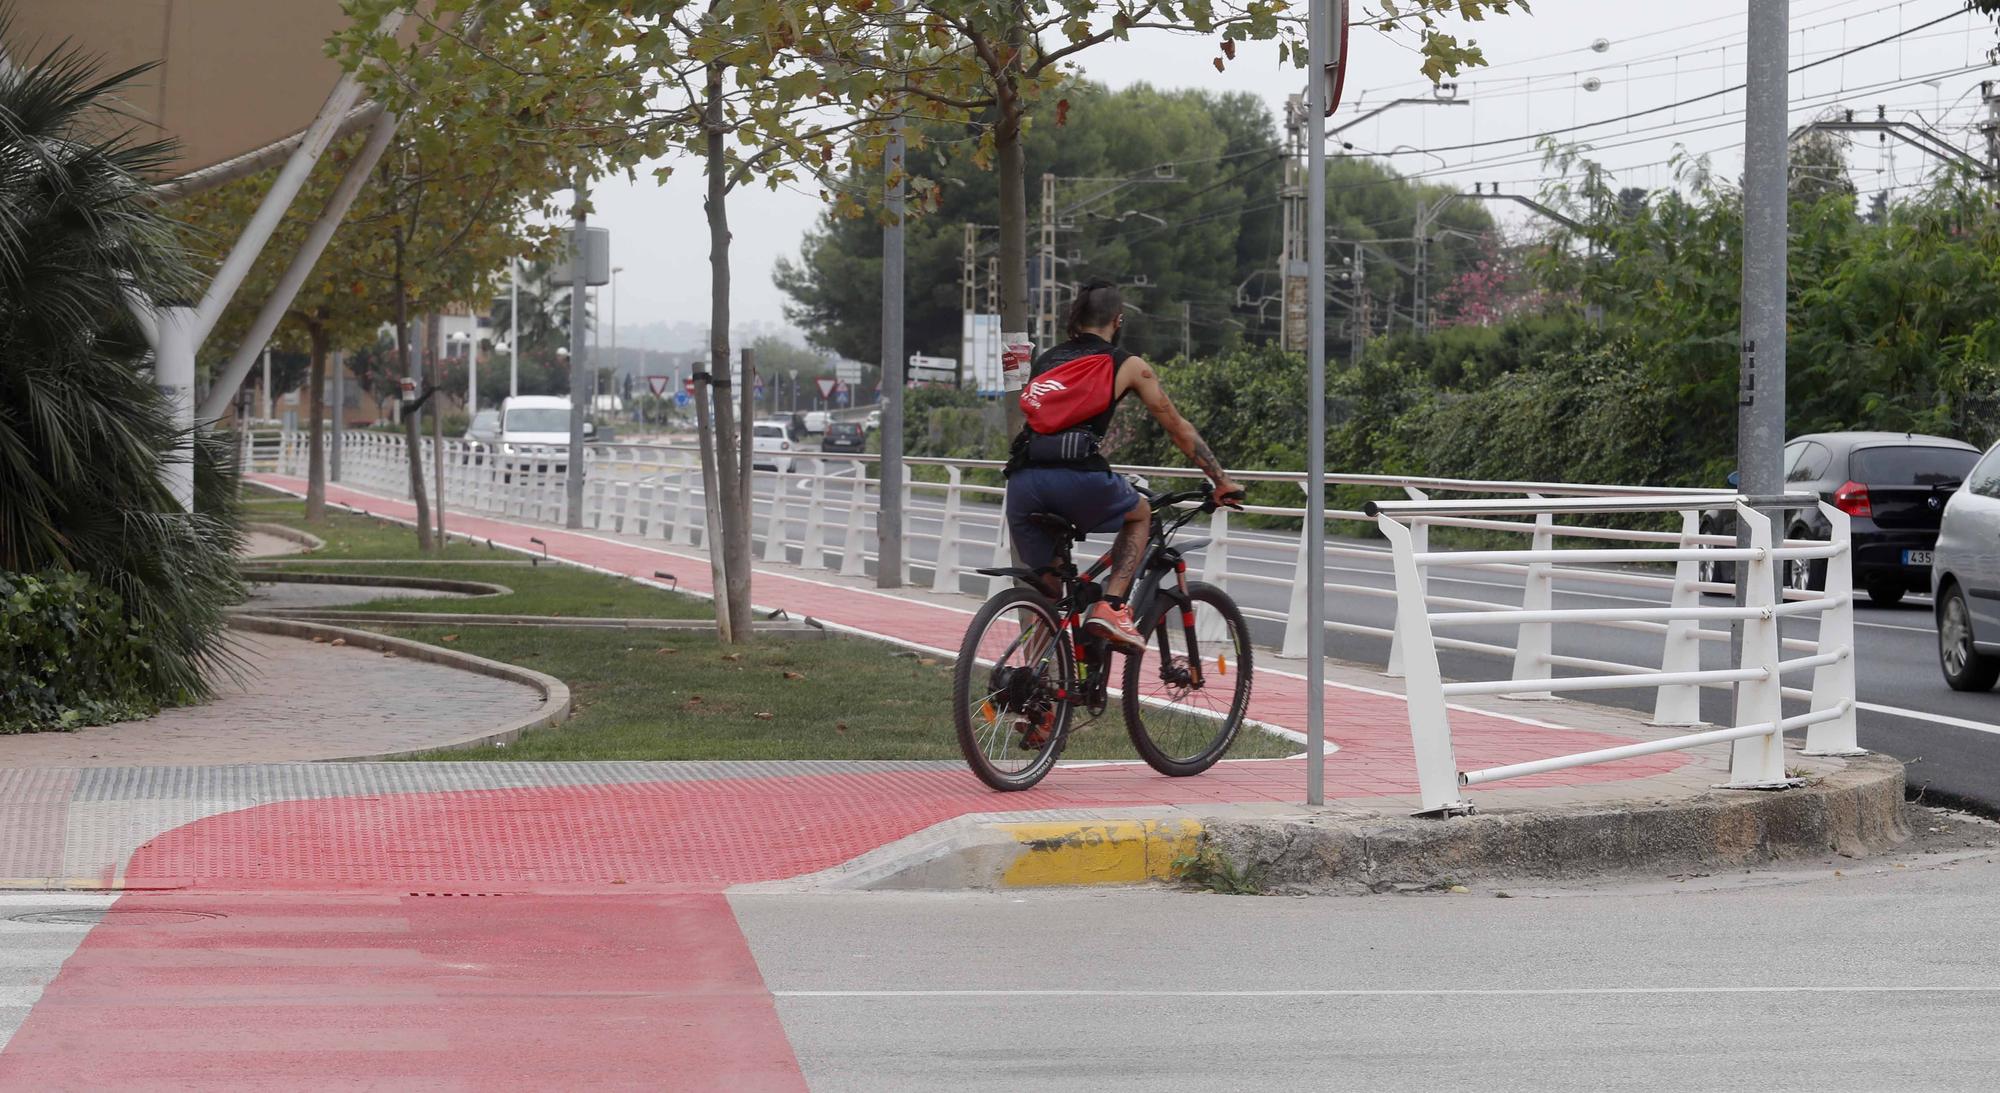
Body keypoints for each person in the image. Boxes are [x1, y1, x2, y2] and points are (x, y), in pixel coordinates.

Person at [1004, 280, 1243, 653]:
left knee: (1050, 595)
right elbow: (1178, 429)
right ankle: (1112, 606)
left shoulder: (1047, 359)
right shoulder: (1128, 365)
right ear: (1118, 321)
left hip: (1022, 482)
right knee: (1140, 514)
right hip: (1076, 477)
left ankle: (1034, 699)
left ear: (1077, 318)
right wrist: (1221, 480)